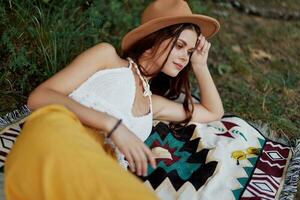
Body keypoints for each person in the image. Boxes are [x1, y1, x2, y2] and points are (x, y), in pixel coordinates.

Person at [4, 0, 224, 199]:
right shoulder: (108, 58)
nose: (185, 57)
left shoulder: (152, 104)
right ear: (155, 38)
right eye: (180, 46)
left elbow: (213, 112)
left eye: (190, 51)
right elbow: (40, 97)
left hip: (96, 165)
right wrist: (112, 125)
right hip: (59, 135)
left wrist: (201, 65)